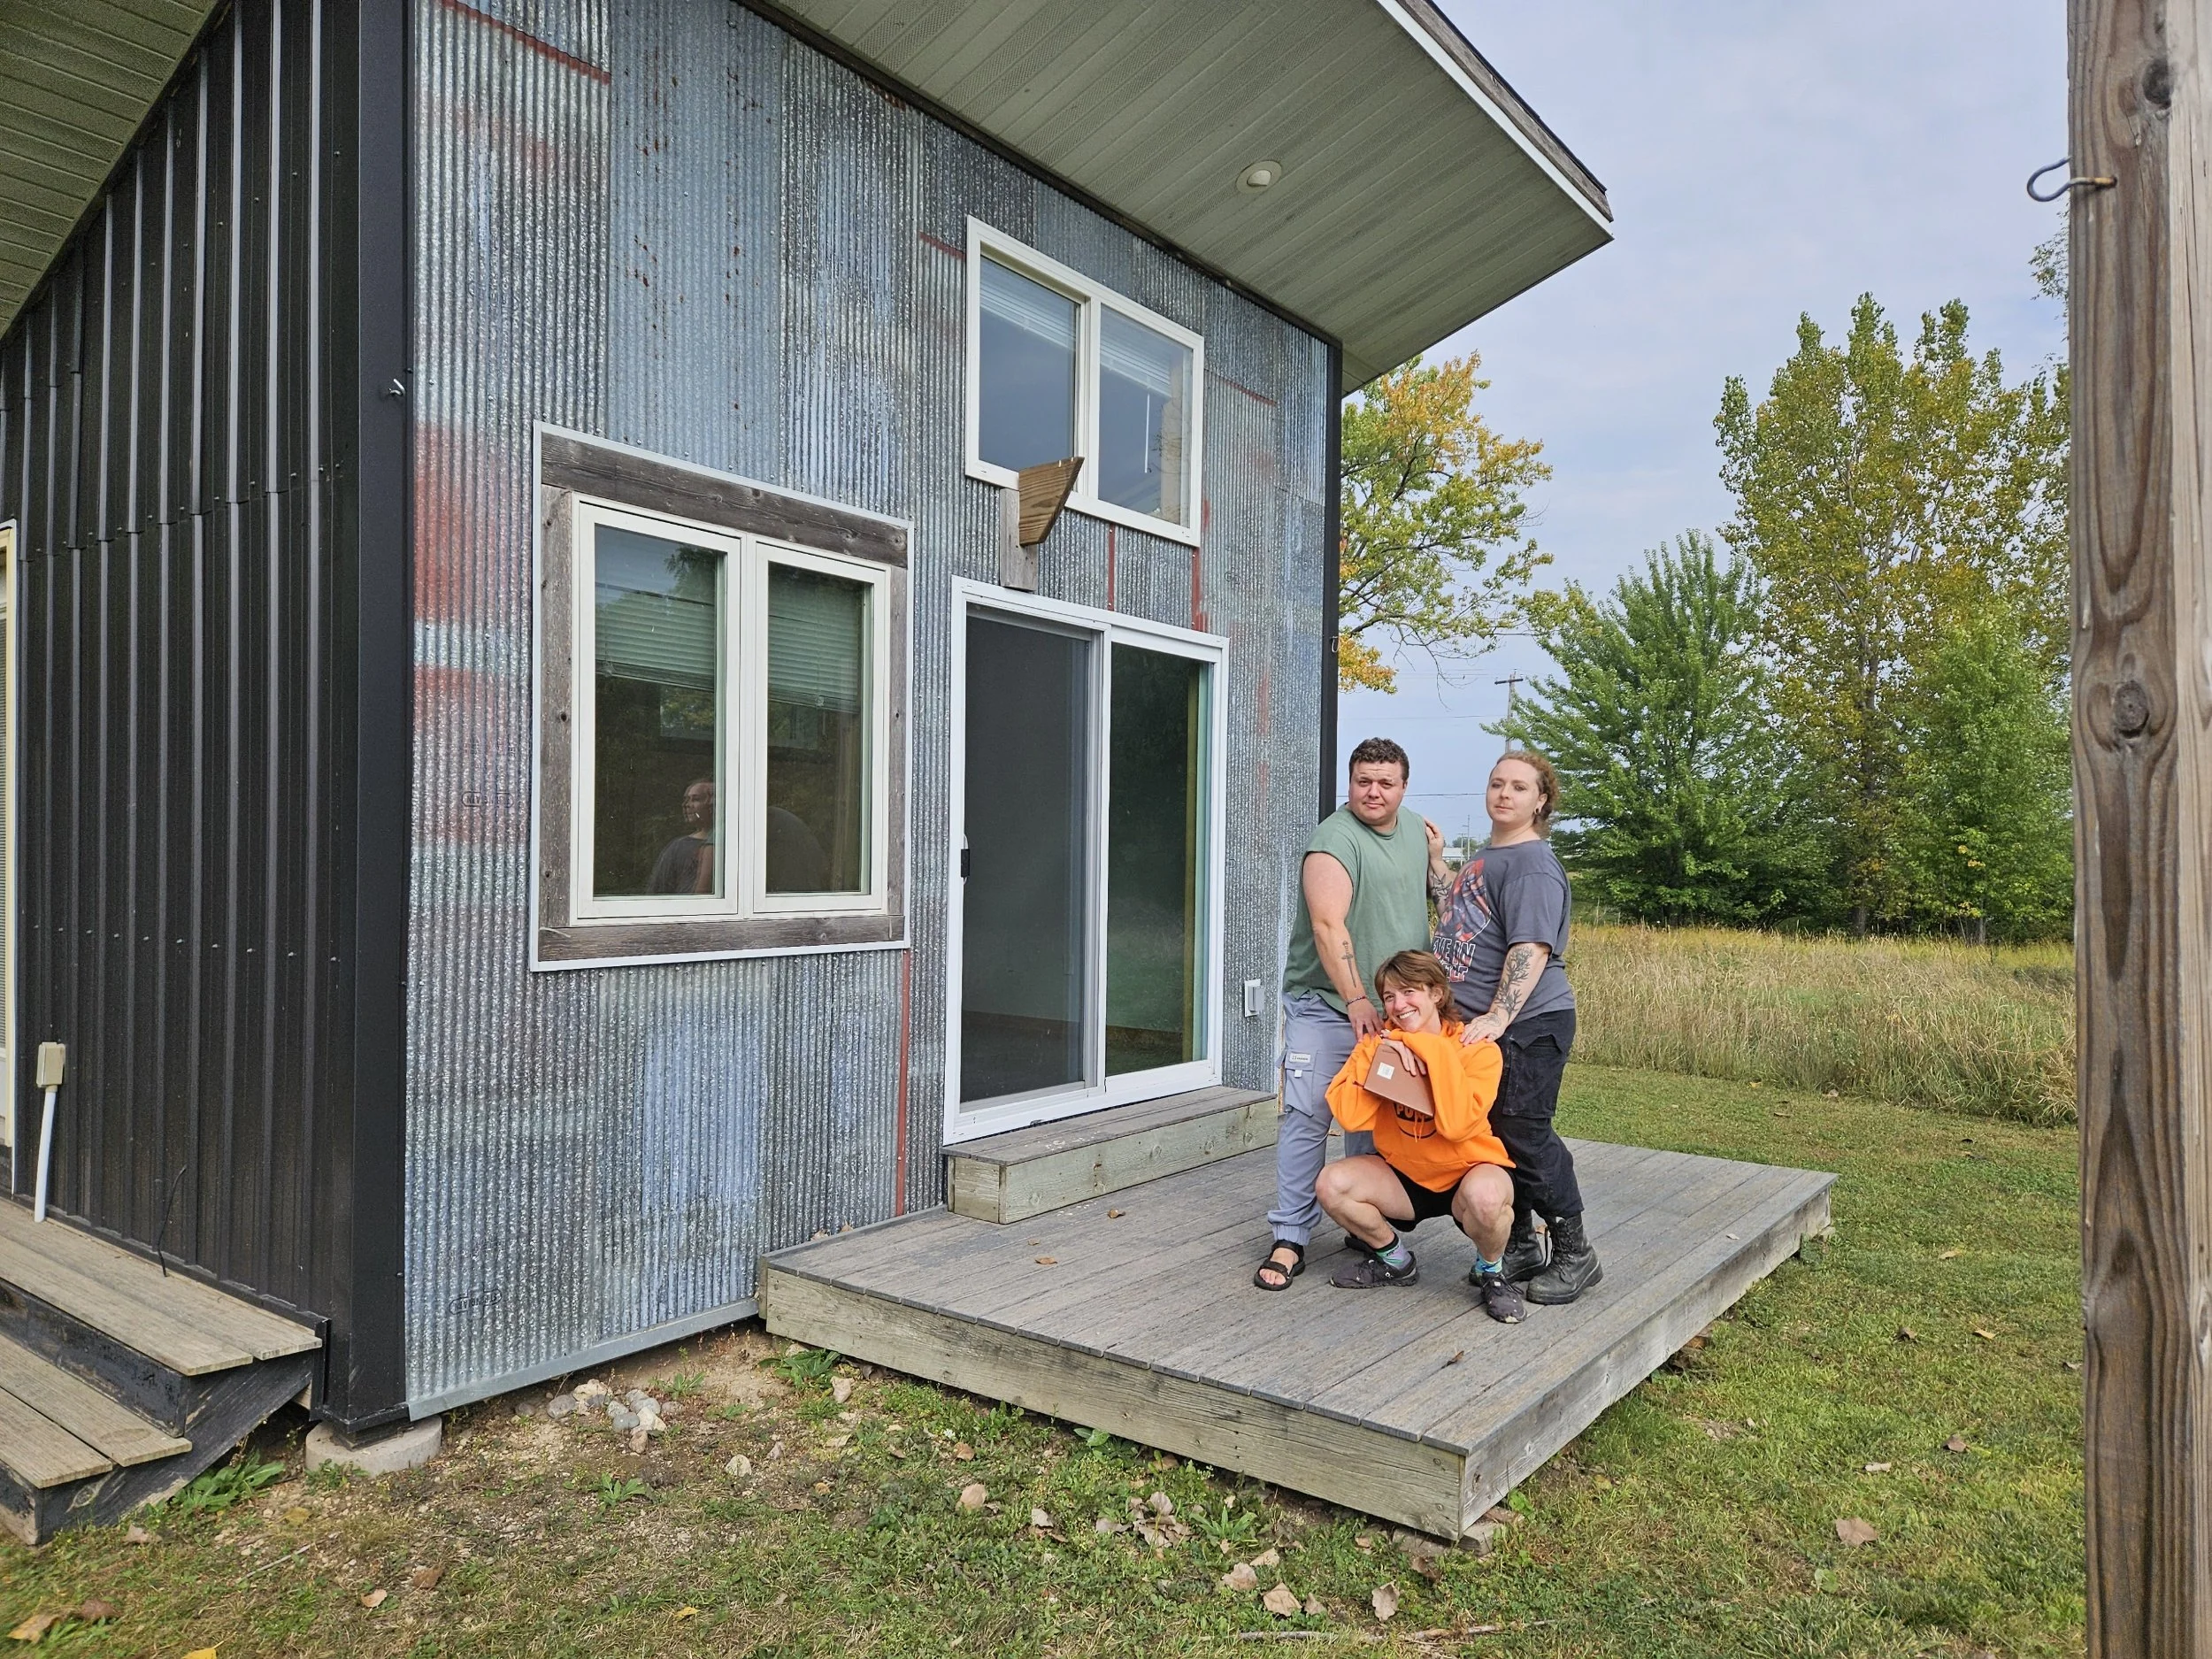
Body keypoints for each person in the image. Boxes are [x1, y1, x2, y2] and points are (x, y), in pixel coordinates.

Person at [1255, 737, 1440, 1291]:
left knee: (1374, 1120)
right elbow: (1327, 926)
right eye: (1363, 781)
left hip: (1395, 1008)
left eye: (1385, 782)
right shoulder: (1333, 842)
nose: (1373, 792)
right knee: (1310, 1115)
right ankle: (1290, 1236)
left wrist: (1436, 858)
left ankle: (1366, 1229)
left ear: (1404, 787)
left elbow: (1437, 898)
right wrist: (1358, 999)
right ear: (1350, 783)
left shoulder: (1415, 831)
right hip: (1328, 1004)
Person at [1432, 749, 1601, 1304]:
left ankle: (1575, 1253)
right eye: (1496, 783)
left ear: (1541, 801)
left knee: (1526, 1134)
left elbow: (1530, 946)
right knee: (1498, 1136)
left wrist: (1499, 1014)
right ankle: (1522, 1245)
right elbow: (1463, 912)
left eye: (1519, 787)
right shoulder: (1490, 857)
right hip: (1489, 1027)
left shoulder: (1531, 863)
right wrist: (1437, 864)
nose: (1504, 794)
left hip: (1528, 1024)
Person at [1317, 950, 1523, 1323]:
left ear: (1436, 994)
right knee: (1332, 1184)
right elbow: (1350, 1115)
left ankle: (1491, 1272)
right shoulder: (1378, 1046)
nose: (1398, 1005)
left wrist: (1422, 1046)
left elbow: (1457, 1125)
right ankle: (1395, 1261)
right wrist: (1382, 1053)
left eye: (1409, 992)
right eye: (1389, 997)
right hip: (1404, 1176)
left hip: (1466, 1173)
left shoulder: (1476, 1049)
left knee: (1489, 1199)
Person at [648, 779, 718, 895]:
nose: (687, 805)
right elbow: (658, 891)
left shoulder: (730, 843)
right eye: (686, 800)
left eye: (696, 799)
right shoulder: (678, 847)